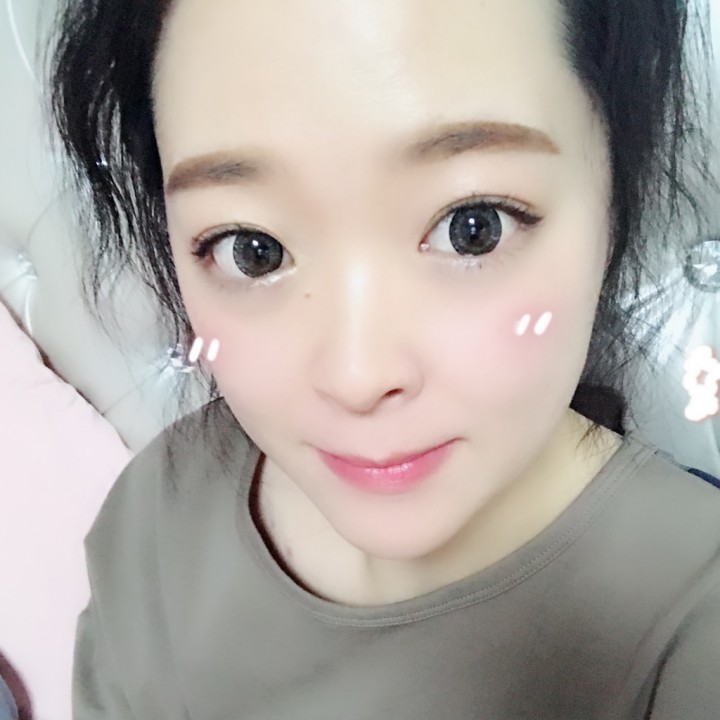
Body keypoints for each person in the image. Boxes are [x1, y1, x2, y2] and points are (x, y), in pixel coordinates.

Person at [47, 0, 720, 717]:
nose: (357, 377)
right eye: (253, 250)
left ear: (611, 200)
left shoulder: (687, 623)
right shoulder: (158, 514)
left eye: (473, 229)